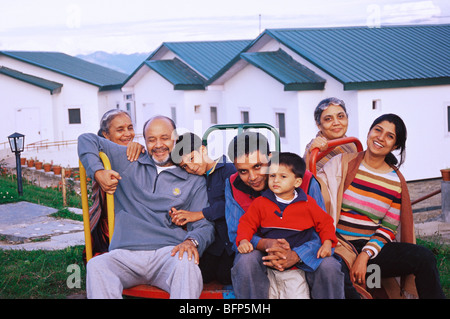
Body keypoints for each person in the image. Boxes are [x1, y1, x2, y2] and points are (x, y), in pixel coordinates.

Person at [78, 115, 215, 299]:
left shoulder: (192, 177)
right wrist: (98, 172)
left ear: (175, 139)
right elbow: (86, 139)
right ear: (144, 141)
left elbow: (204, 225)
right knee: (97, 266)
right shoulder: (128, 159)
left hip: (169, 253)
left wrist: (192, 241)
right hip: (126, 253)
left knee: (188, 265)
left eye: (165, 138)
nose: (158, 145)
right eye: (151, 139)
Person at [317, 113, 446, 299]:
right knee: (334, 270)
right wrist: (311, 152)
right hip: (339, 244)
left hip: (372, 249)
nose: (380, 138)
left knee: (424, 257)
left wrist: (365, 255)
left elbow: (388, 227)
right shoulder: (343, 163)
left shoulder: (395, 181)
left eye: (390, 136)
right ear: (369, 132)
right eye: (378, 130)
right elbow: (313, 186)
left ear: (395, 146)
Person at [225, 131, 345, 299]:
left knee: (329, 267)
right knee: (245, 261)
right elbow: (236, 232)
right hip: (261, 252)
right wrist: (267, 243)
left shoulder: (303, 179)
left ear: (270, 157)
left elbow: (321, 228)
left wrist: (296, 255)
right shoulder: (233, 184)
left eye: (258, 166)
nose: (252, 177)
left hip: (303, 248)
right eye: (243, 171)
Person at [169, 132, 236, 285]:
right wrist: (179, 214)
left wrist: (199, 215)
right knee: (199, 275)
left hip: (231, 241)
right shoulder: (197, 180)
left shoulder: (229, 170)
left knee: (225, 276)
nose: (191, 167)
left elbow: (232, 205)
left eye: (192, 158)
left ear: (203, 150)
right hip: (213, 244)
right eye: (185, 166)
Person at [83, 109, 145, 263]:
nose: (127, 134)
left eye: (130, 128)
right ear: (105, 134)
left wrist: (141, 149)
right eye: (120, 130)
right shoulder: (101, 156)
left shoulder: (135, 152)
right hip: (111, 226)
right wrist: (98, 172)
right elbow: (85, 140)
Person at [303, 97, 357, 171]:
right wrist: (310, 153)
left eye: (340, 116)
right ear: (318, 124)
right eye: (328, 119)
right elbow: (306, 178)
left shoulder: (351, 143)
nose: (336, 123)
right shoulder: (314, 149)